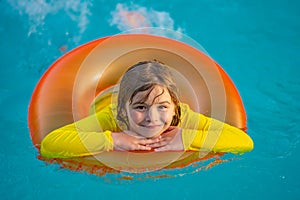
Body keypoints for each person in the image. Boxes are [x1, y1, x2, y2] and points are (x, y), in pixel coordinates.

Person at [40, 60, 253, 158]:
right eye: (141, 107)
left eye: (162, 107)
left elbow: (244, 142)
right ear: (123, 110)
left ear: (174, 107)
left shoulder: (181, 117)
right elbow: (50, 144)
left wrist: (187, 137)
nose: (152, 118)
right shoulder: (114, 117)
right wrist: (113, 140)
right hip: (105, 96)